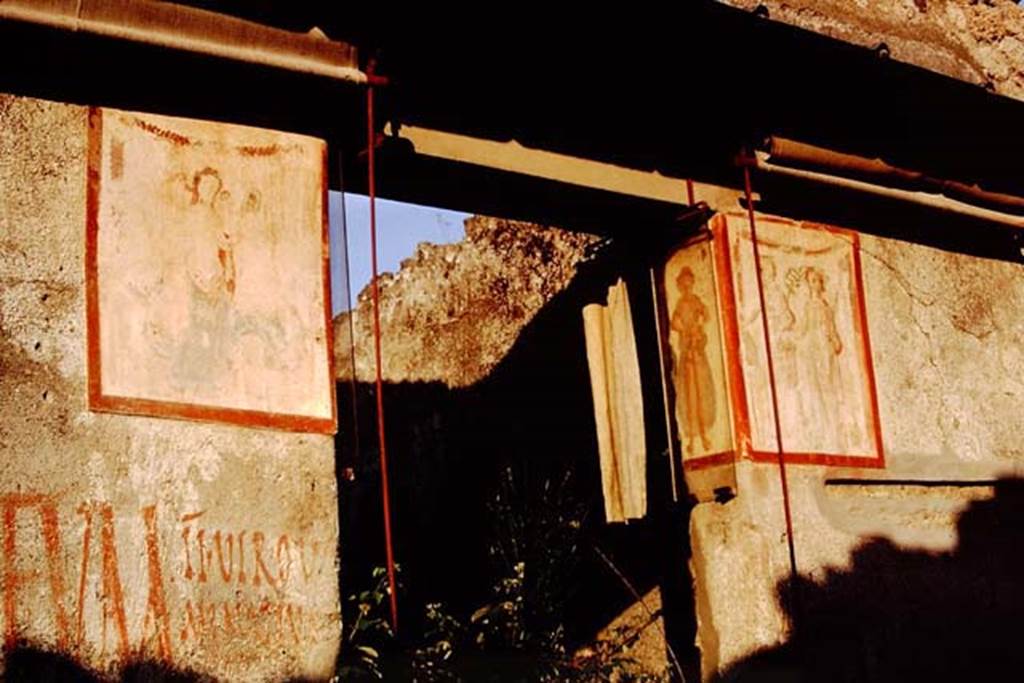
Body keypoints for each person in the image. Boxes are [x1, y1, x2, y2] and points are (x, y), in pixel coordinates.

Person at [670, 266, 716, 455]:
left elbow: (707, 315)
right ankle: (690, 438)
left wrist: (698, 326)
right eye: (683, 283)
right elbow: (674, 323)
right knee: (688, 394)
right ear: (680, 286)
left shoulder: (696, 301)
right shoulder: (680, 304)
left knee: (701, 392)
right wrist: (682, 329)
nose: (687, 286)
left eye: (689, 282)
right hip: (686, 352)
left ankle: (704, 434)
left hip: (697, 352)